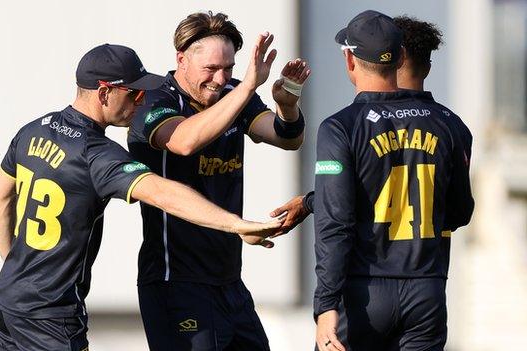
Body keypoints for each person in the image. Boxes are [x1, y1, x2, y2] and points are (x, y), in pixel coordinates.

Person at [0, 44, 284, 351]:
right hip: (51, 312)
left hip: (9, 298)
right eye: (134, 94)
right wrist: (235, 224)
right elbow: (162, 193)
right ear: (104, 93)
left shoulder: (34, 130)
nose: (141, 101)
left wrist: (16, 271)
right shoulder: (96, 154)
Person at [127, 11, 311, 351]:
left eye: (228, 68)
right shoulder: (154, 98)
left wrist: (288, 106)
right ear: (181, 59)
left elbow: (286, 138)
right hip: (176, 281)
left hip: (229, 281)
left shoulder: (233, 92)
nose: (220, 78)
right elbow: (183, 141)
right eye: (210, 68)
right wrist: (247, 88)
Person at [312, 10, 474, 351]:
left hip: (363, 294)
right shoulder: (450, 124)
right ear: (400, 57)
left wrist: (325, 304)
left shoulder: (341, 127)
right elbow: (459, 212)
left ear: (350, 60)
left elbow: (335, 222)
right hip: (426, 293)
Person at [270, 15, 447, 236]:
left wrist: (312, 202)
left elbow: (343, 208)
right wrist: (312, 201)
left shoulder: (348, 125)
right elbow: (459, 211)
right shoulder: (448, 123)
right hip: (432, 268)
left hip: (371, 269)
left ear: (397, 59)